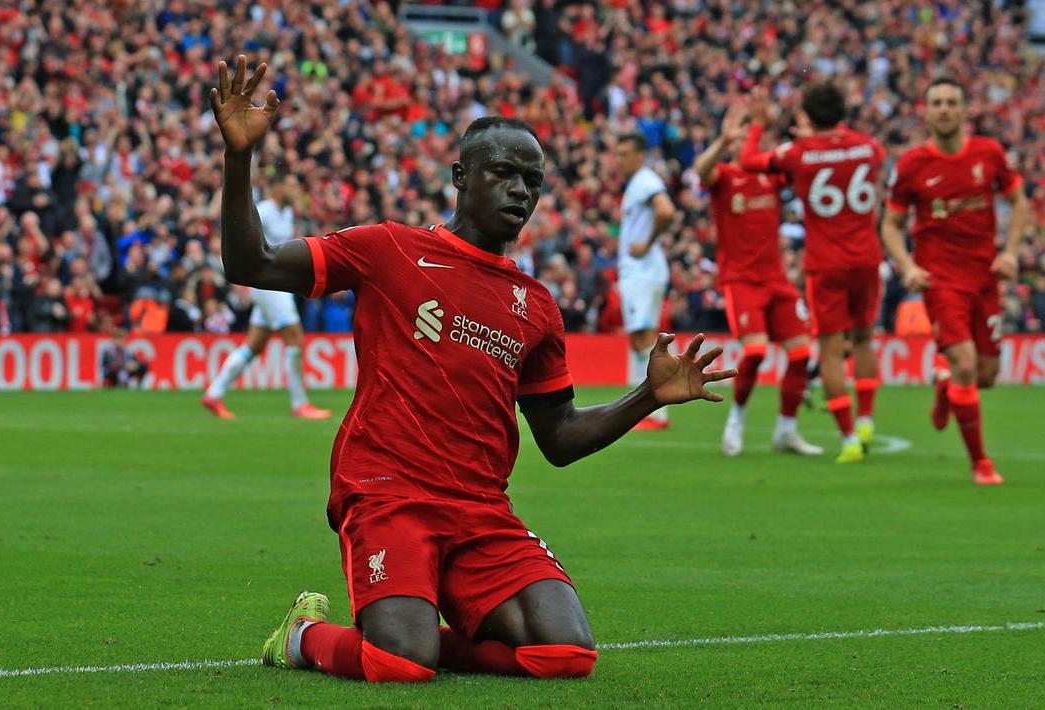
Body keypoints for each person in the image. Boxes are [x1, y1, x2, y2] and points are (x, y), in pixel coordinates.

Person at [210, 55, 735, 683]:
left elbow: (560, 437)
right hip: (387, 490)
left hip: (480, 507)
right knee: (398, 664)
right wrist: (239, 157)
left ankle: (423, 633)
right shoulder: (390, 249)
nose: (521, 191)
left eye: (532, 181)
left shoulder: (536, 305)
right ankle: (303, 637)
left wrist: (646, 395)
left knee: (566, 655)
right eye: (504, 174)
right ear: (461, 176)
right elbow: (252, 263)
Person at [880, 77, 1030, 485]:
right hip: (940, 279)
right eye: (937, 103)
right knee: (965, 363)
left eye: (951, 102)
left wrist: (1011, 252)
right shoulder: (912, 165)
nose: (944, 109)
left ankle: (945, 384)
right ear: (926, 112)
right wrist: (907, 266)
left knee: (986, 375)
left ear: (964, 110)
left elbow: (1019, 203)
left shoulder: (989, 153)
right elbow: (891, 224)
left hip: (984, 277)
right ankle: (981, 463)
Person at [740, 84, 884, 464]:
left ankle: (849, 438)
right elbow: (846, 154)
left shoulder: (799, 153)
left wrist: (758, 124)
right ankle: (867, 419)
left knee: (831, 350)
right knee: (864, 337)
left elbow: (748, 160)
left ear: (807, 115)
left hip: (826, 263)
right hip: (867, 258)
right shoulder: (870, 147)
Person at [692, 106, 822, 457]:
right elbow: (701, 170)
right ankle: (736, 418)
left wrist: (809, 139)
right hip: (742, 280)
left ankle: (786, 431)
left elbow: (805, 168)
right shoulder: (724, 175)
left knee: (801, 353)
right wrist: (722, 141)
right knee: (756, 351)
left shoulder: (772, 177)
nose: (750, 141)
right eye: (744, 135)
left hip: (776, 279)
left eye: (755, 135)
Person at [201, 174, 331, 420]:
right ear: (277, 188)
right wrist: (237, 276)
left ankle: (214, 394)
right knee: (295, 337)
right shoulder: (265, 211)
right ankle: (300, 404)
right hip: (268, 285)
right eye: (291, 185)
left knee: (255, 343)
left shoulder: (288, 213)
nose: (296, 190)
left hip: (277, 284)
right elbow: (238, 238)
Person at [615, 133, 676, 431]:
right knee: (641, 339)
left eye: (625, 153)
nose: (619, 160)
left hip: (643, 270)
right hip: (638, 271)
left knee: (644, 340)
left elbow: (666, 210)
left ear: (640, 154)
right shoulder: (636, 184)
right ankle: (651, 409)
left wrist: (648, 243)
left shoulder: (645, 181)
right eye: (618, 153)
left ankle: (655, 412)